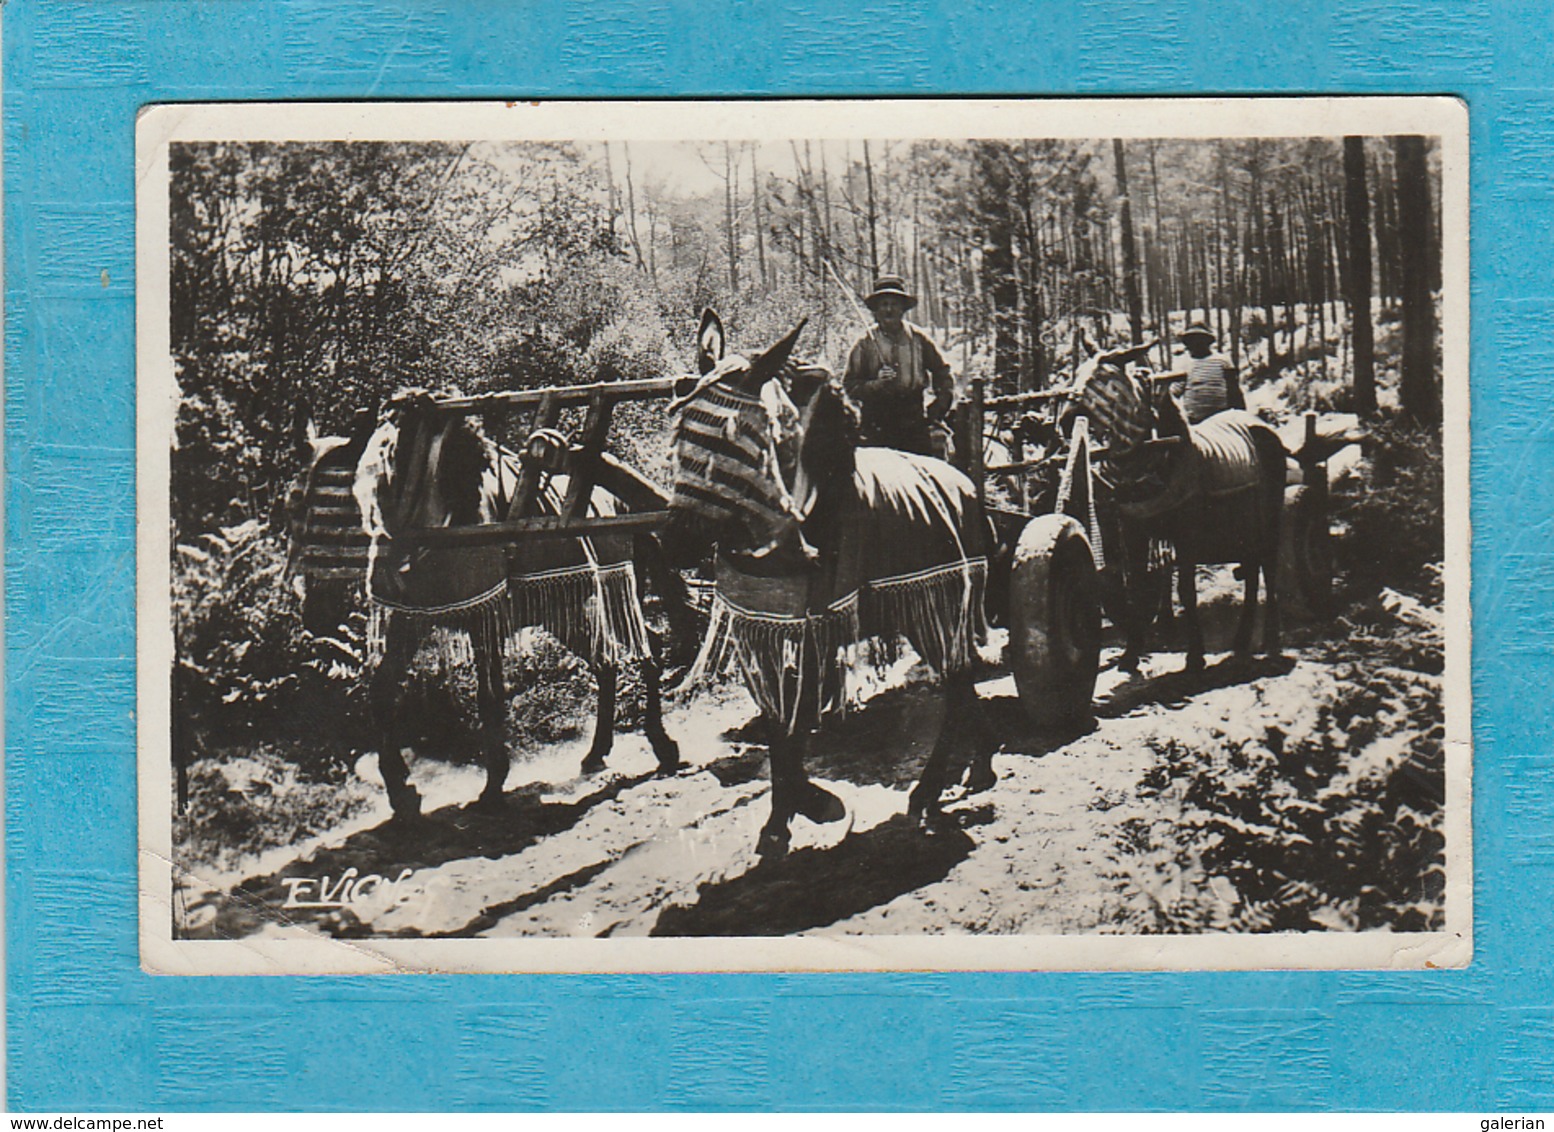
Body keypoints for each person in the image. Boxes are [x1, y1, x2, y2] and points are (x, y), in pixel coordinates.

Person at [843, 275, 955, 457]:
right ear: (876, 310)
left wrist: (937, 410)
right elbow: (849, 386)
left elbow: (943, 373)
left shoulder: (919, 339)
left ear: (903, 308)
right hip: (876, 423)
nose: (889, 309)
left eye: (894, 304)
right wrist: (876, 384)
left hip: (913, 420)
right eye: (884, 304)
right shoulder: (864, 343)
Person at [1175, 321, 1244, 424]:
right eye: (1192, 340)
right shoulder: (1185, 363)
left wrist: (1240, 416)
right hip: (1195, 421)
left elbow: (1234, 390)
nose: (1196, 344)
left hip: (1222, 419)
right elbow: (1176, 390)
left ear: (1207, 342)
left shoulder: (1223, 361)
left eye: (1200, 339)